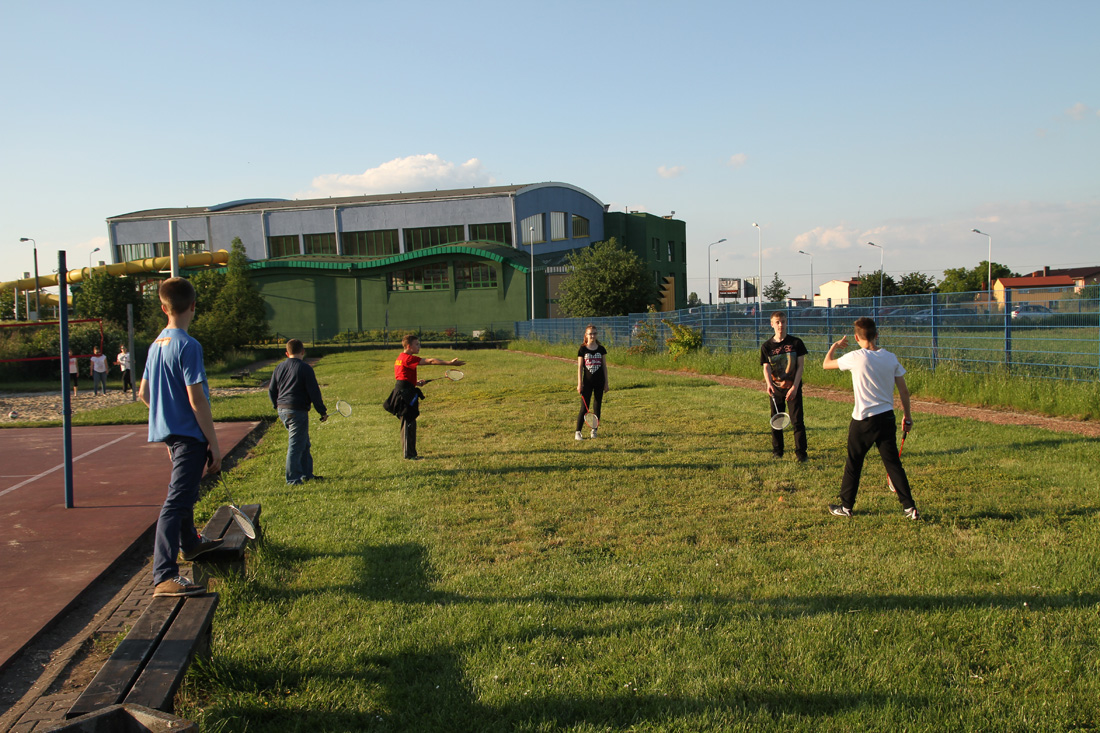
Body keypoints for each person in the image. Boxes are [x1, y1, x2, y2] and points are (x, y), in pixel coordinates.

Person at [139, 277, 224, 598]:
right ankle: (164, 575)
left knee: (184, 493)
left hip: (172, 435)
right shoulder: (188, 345)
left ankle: (190, 544)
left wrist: (167, 418)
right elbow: (196, 398)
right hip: (190, 436)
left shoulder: (155, 346)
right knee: (176, 502)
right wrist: (214, 443)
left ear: (164, 308)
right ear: (193, 306)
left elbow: (144, 393)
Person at [822, 317, 918, 520]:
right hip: (887, 419)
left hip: (863, 421)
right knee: (893, 465)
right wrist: (907, 416)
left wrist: (834, 346)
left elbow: (826, 364)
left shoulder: (855, 357)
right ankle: (910, 508)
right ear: (877, 334)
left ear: (856, 338)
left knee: (854, 463)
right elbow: (904, 391)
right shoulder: (890, 358)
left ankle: (846, 507)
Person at [388, 334, 464, 460]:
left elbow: (402, 376)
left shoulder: (400, 357)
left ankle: (411, 454)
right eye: (416, 344)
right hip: (405, 394)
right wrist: (450, 363)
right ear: (409, 346)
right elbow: (431, 361)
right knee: (408, 423)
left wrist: (415, 383)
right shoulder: (408, 358)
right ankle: (409, 455)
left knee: (410, 422)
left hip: (405, 390)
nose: (419, 346)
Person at [269, 338, 327, 484]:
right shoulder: (305, 368)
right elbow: (314, 392)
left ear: (286, 353)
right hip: (297, 411)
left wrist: (276, 406)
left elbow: (272, 390)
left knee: (303, 443)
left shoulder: (279, 367)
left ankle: (306, 474)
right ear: (303, 352)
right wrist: (322, 411)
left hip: (282, 409)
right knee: (295, 445)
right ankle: (293, 479)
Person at [760, 311, 808, 461]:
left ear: (786, 323)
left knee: (797, 421)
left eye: (783, 322)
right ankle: (777, 451)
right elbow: (766, 367)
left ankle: (801, 453)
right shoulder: (766, 346)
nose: (781, 325)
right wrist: (769, 384)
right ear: (772, 324)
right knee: (776, 421)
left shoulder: (796, 343)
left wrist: (794, 387)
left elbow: (800, 367)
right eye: (777, 322)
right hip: (776, 390)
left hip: (793, 388)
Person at [575, 324, 609, 440]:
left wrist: (606, 383)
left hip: (599, 382)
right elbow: (580, 367)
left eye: (594, 333)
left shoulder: (601, 349)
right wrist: (580, 383)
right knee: (584, 407)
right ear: (586, 335)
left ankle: (594, 430)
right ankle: (578, 432)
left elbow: (604, 367)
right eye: (590, 333)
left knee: (597, 406)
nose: (592, 336)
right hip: (587, 383)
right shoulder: (582, 349)